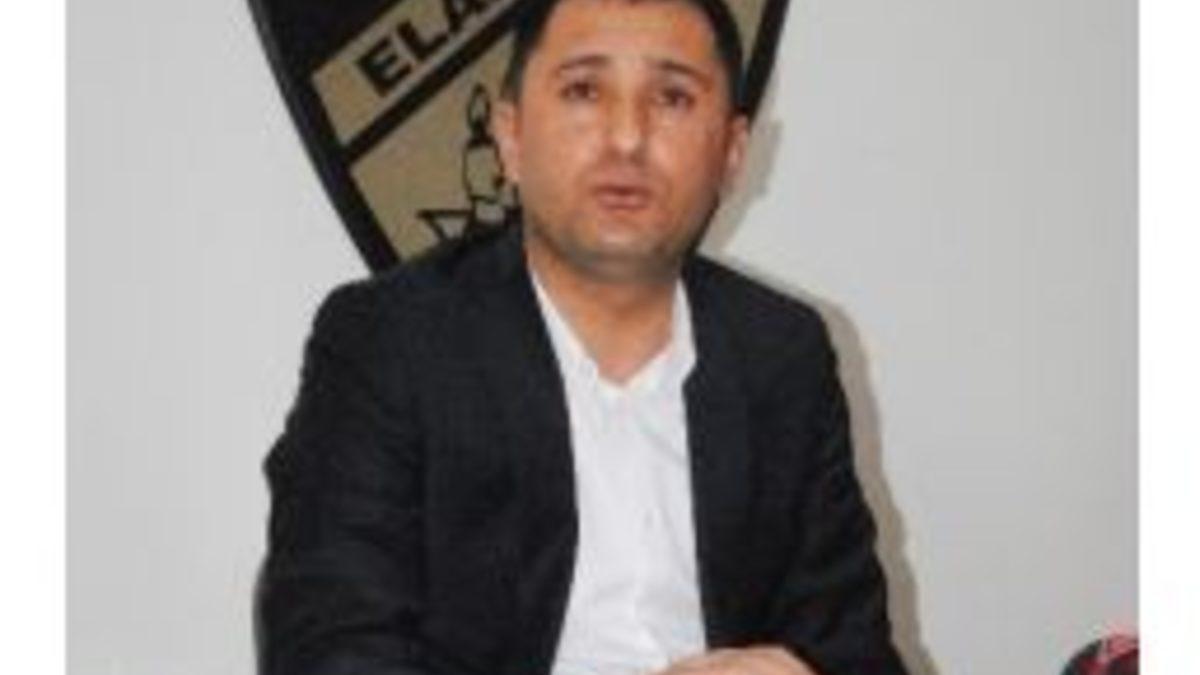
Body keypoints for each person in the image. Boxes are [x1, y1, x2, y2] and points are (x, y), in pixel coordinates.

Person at [258, 1, 909, 674]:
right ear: (510, 136)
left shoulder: (781, 353)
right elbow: (329, 649)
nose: (626, 137)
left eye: (673, 97)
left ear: (732, 152)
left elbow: (856, 648)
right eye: (583, 91)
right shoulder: (392, 342)